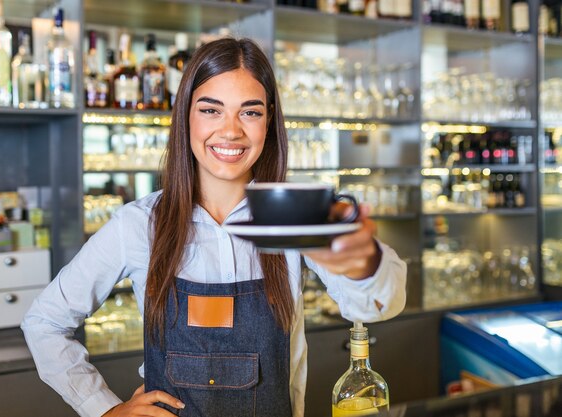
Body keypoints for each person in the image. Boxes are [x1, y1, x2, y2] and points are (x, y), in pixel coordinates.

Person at [21, 37, 407, 417]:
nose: (231, 130)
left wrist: (364, 263)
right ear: (185, 114)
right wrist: (105, 409)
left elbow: (376, 307)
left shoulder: (294, 214)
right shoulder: (139, 225)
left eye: (250, 112)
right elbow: (45, 322)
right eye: (211, 110)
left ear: (269, 121)